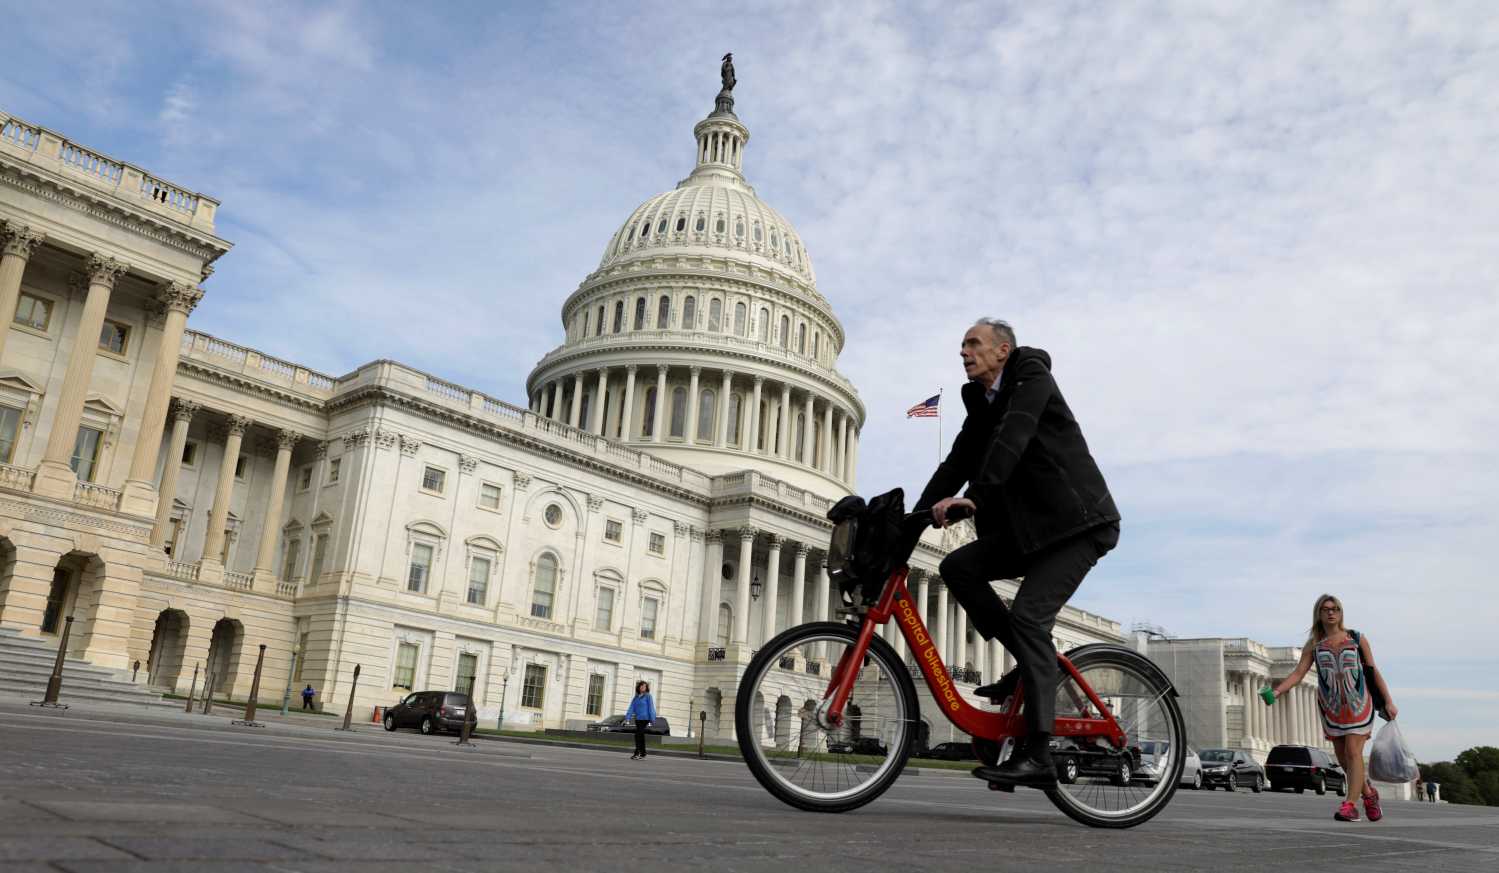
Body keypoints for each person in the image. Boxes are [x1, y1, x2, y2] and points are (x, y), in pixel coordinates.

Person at [914, 318, 1120, 787]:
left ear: (1003, 350)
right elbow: (958, 462)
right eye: (962, 345)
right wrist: (913, 517)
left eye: (973, 343)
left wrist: (977, 497)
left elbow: (1016, 434)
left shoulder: (1031, 376)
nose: (963, 352)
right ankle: (1028, 662)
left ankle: (1040, 754)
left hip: (1078, 525)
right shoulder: (981, 403)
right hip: (1031, 532)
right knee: (958, 566)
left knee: (1029, 617)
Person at [1266, 594, 1397, 822]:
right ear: (1319, 613)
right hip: (1331, 708)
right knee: (1344, 760)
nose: (1331, 612)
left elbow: (1373, 671)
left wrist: (1388, 700)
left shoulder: (1356, 638)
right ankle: (1368, 794)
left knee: (1353, 752)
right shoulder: (1314, 645)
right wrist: (1277, 692)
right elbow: (1299, 674)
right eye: (1326, 609)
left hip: (1358, 703)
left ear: (1341, 612)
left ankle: (1349, 806)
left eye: (1335, 608)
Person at [625, 680, 657, 760]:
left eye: (645, 686)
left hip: (645, 719)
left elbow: (651, 707)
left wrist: (652, 719)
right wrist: (627, 718)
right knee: (640, 736)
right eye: (641, 686)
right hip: (638, 719)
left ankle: (637, 753)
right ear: (639, 687)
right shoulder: (636, 697)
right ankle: (643, 753)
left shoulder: (648, 696)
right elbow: (631, 708)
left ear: (646, 688)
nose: (643, 687)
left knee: (638, 735)